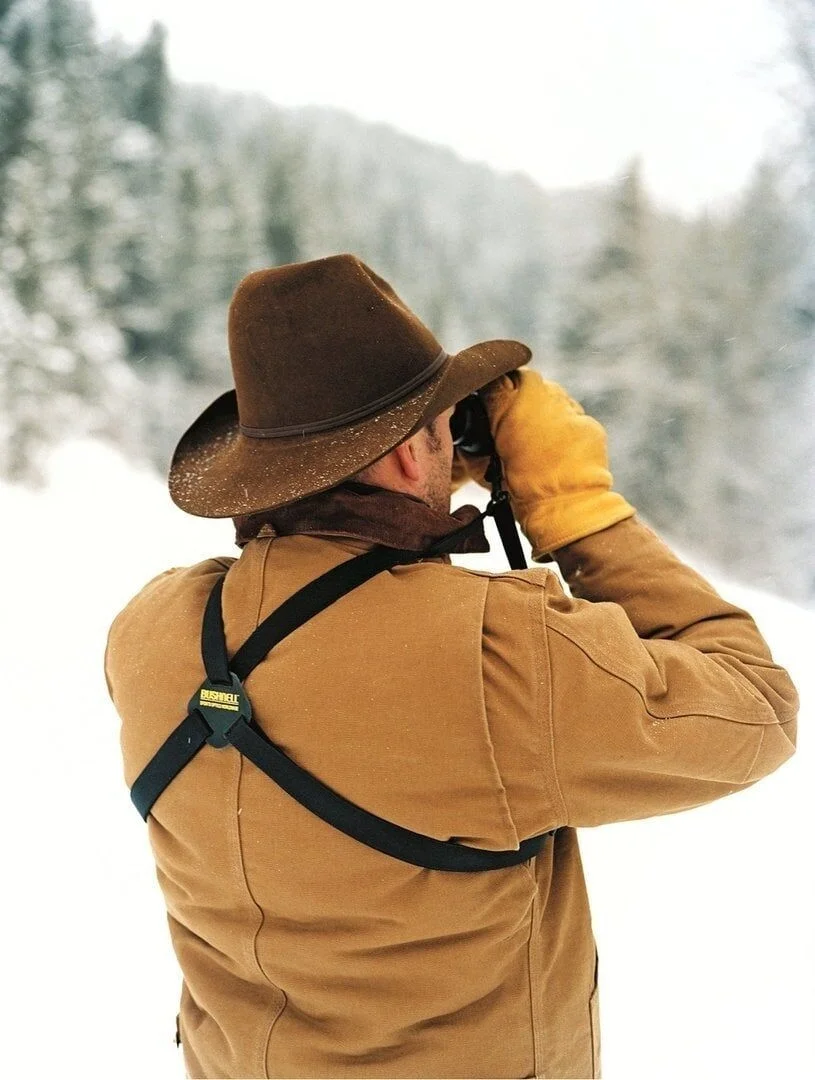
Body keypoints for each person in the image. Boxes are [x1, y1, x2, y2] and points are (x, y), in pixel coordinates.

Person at [104, 253, 798, 1080]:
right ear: (406, 458)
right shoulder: (495, 650)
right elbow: (755, 709)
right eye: (439, 429)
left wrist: (410, 478)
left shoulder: (152, 629)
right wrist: (577, 511)